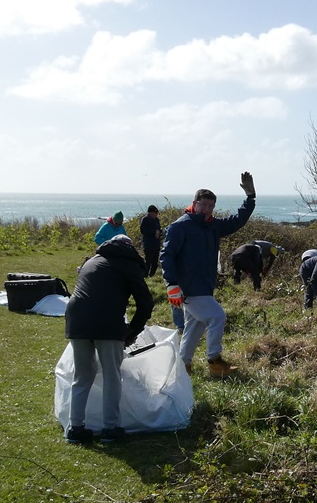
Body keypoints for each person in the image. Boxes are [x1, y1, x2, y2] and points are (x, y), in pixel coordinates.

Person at [160, 173, 256, 377]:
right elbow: (167, 255)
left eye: (211, 206)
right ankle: (215, 362)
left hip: (204, 285)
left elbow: (237, 221)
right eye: (203, 205)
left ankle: (182, 365)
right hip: (188, 287)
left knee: (194, 326)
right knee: (216, 316)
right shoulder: (180, 226)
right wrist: (171, 284)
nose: (207, 210)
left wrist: (250, 198)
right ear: (194, 204)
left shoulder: (212, 225)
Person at [64, 235, 155, 445]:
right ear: (130, 248)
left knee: (82, 375)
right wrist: (132, 331)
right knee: (112, 375)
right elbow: (146, 302)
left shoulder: (92, 261)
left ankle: (75, 428)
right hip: (107, 322)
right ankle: (110, 428)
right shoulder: (128, 264)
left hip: (77, 320)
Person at [139, 205, 164, 277]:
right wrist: (154, 232)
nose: (156, 215)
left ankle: (152, 275)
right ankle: (144, 275)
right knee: (148, 260)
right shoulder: (145, 219)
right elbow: (143, 230)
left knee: (155, 262)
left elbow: (159, 229)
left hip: (156, 244)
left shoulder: (157, 220)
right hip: (148, 244)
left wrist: (160, 232)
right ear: (150, 213)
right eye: (155, 213)